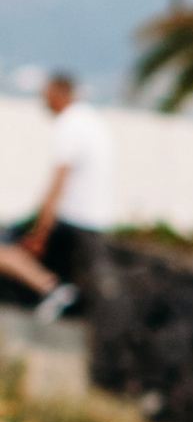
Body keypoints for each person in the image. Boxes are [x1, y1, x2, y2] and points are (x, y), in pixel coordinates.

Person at [0, 73, 113, 319]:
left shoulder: (69, 125)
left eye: (46, 96)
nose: (43, 102)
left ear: (59, 94)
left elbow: (58, 183)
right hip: (93, 219)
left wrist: (41, 232)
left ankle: (52, 289)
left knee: (3, 248)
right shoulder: (90, 120)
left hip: (71, 221)